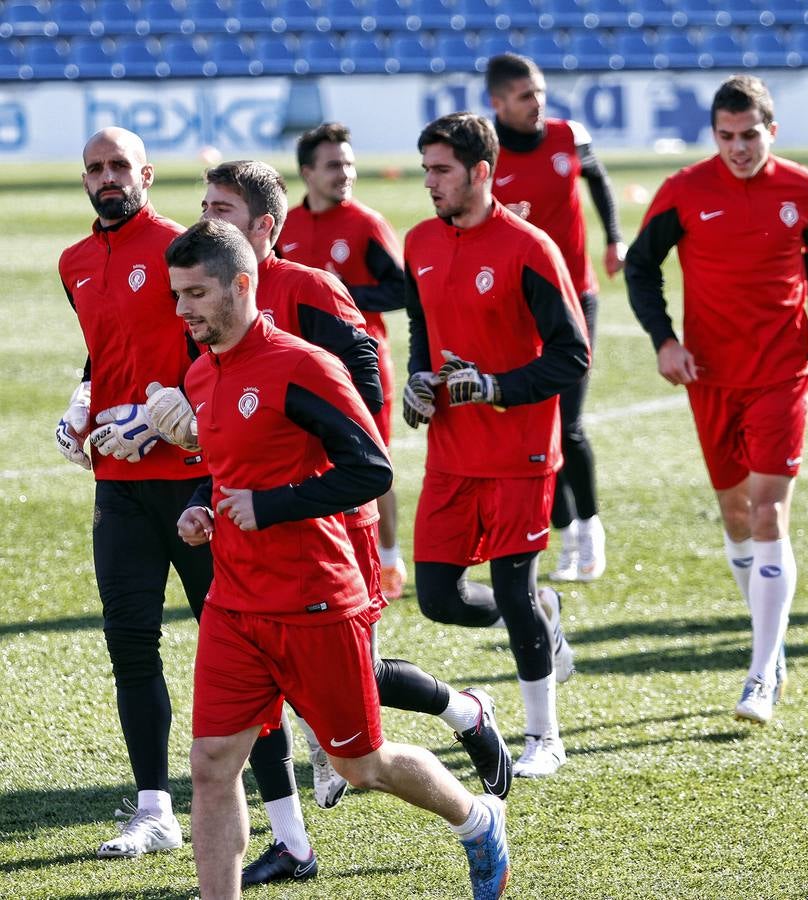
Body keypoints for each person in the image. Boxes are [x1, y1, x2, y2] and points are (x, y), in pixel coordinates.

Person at [174, 160, 512, 887]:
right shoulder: (201, 373)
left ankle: (478, 820)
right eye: (178, 296)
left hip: (315, 600)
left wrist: (271, 506)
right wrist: (204, 504)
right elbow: (230, 462)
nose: (184, 312)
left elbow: (372, 470)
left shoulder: (302, 366)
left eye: (196, 294)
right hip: (235, 601)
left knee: (361, 764)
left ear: (242, 284)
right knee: (210, 764)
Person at [624, 75, 808, 725]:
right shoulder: (684, 191)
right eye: (726, 137)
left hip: (781, 372)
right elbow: (640, 267)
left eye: (750, 135)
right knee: (736, 515)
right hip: (711, 377)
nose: (739, 148)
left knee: (770, 511)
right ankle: (768, 648)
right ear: (713, 134)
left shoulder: (803, 190)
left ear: (771, 131)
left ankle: (761, 670)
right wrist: (665, 340)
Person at [403, 112, 591, 777]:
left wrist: (495, 386)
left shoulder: (529, 247)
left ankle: (545, 739)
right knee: (437, 599)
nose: (430, 183)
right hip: (452, 454)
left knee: (513, 592)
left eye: (441, 171)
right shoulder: (419, 241)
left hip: (521, 451)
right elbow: (422, 328)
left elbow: (572, 358)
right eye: (425, 169)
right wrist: (416, 383)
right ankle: (545, 615)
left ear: (481, 173)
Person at [54, 127, 213, 857]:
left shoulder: (185, 246)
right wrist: (83, 399)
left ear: (146, 173)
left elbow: (218, 346)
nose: (108, 177)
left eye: (120, 165)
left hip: (194, 482)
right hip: (118, 486)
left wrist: (167, 419)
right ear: (84, 180)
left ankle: (290, 778)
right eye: (96, 168)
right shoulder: (74, 261)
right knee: (130, 647)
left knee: (242, 639)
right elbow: (104, 343)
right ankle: (156, 809)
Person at [486, 53, 625, 583]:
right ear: (498, 103)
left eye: (540, 91)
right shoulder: (488, 155)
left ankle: (589, 531)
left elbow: (599, 180)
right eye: (525, 95)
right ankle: (565, 534)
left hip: (574, 299)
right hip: (516, 308)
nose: (537, 102)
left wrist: (613, 238)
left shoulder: (570, 135)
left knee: (567, 423)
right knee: (532, 427)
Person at [276, 123, 408, 600]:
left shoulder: (366, 224)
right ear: (308, 172)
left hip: (362, 365)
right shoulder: (283, 225)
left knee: (373, 460)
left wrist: (335, 295)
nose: (345, 174)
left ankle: (389, 561)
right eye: (334, 165)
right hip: (296, 368)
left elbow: (403, 288)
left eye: (349, 164)